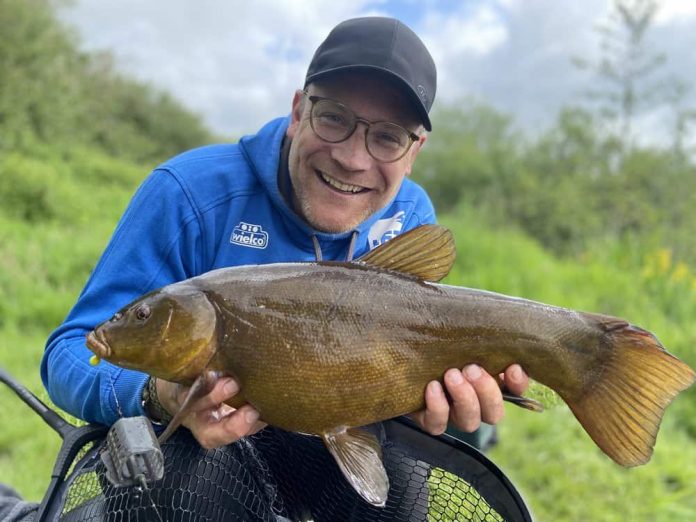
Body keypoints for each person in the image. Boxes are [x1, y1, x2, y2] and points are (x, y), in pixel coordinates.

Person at [41, 15, 528, 513]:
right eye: (334, 118)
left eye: (387, 138)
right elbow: (70, 354)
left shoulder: (409, 214)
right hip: (200, 459)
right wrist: (156, 397)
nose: (354, 160)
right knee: (186, 482)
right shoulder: (187, 194)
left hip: (331, 434)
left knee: (408, 493)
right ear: (298, 111)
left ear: (413, 153)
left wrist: (436, 405)